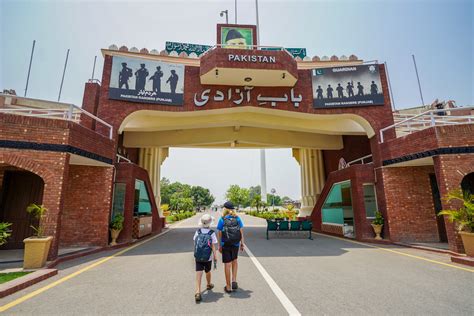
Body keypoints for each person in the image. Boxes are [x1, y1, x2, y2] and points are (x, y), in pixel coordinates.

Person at [217, 201, 244, 293]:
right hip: (235, 243)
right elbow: (241, 232)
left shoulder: (222, 219)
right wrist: (242, 243)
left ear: (224, 209)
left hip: (226, 244)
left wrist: (220, 245)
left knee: (227, 264)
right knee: (235, 261)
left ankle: (228, 287)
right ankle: (234, 280)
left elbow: (220, 233)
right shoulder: (237, 218)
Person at [193, 214, 218, 302]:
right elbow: (213, 246)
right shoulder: (212, 233)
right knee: (208, 271)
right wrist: (215, 256)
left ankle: (197, 292)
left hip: (198, 256)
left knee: (198, 273)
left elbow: (195, 243)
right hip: (208, 258)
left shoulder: (198, 232)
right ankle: (208, 284)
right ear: (210, 223)